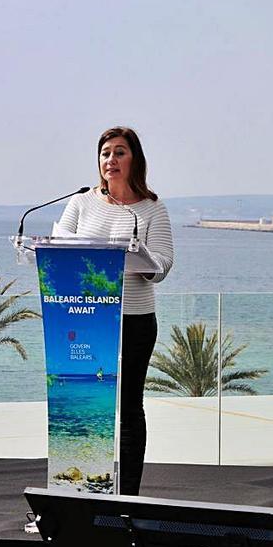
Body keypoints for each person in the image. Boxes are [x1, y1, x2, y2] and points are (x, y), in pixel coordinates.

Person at [56, 126, 175, 495]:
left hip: (135, 320)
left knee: (127, 408)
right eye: (105, 153)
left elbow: (163, 265)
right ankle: (81, 492)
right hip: (87, 318)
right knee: (85, 405)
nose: (111, 160)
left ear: (135, 158)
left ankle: (128, 496)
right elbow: (60, 252)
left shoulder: (152, 208)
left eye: (119, 152)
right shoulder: (80, 203)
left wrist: (135, 258)